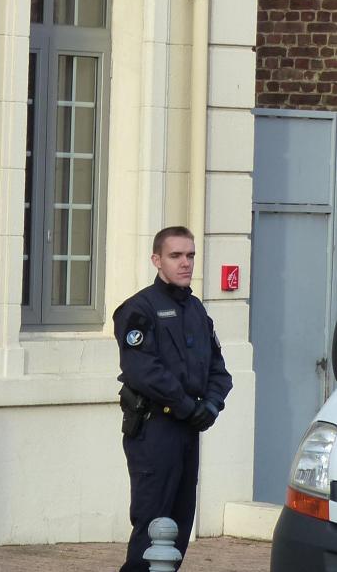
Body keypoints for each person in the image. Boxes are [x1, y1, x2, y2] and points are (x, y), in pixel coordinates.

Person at [115, 226, 232, 572]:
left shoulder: (196, 310)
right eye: (175, 255)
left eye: (190, 255)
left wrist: (210, 406)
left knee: (179, 526)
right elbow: (143, 371)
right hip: (155, 430)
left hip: (187, 430)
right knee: (153, 526)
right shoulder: (139, 309)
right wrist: (186, 406)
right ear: (157, 260)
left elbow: (219, 371)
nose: (185, 263)